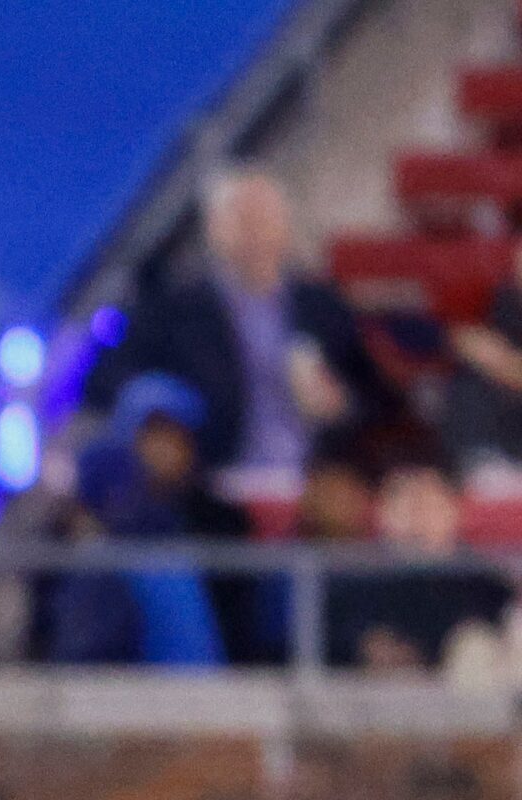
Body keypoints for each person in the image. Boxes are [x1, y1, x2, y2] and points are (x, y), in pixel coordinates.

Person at [84, 167, 391, 480]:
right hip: (209, 483)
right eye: (244, 220)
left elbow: (375, 394)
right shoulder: (175, 309)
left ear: (284, 224)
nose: (256, 234)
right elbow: (104, 375)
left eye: (264, 218)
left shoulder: (321, 306)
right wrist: (161, 404)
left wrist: (341, 403)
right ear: (215, 229)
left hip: (315, 486)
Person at [43, 372, 250, 665]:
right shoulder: (88, 544)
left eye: (176, 436)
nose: (165, 450)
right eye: (153, 434)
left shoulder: (218, 522)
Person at [326, 454, 512, 670]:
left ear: (455, 511)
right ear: (382, 512)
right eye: (404, 501)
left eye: (428, 502)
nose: (416, 517)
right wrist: (364, 646)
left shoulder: (488, 587)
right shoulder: (348, 583)